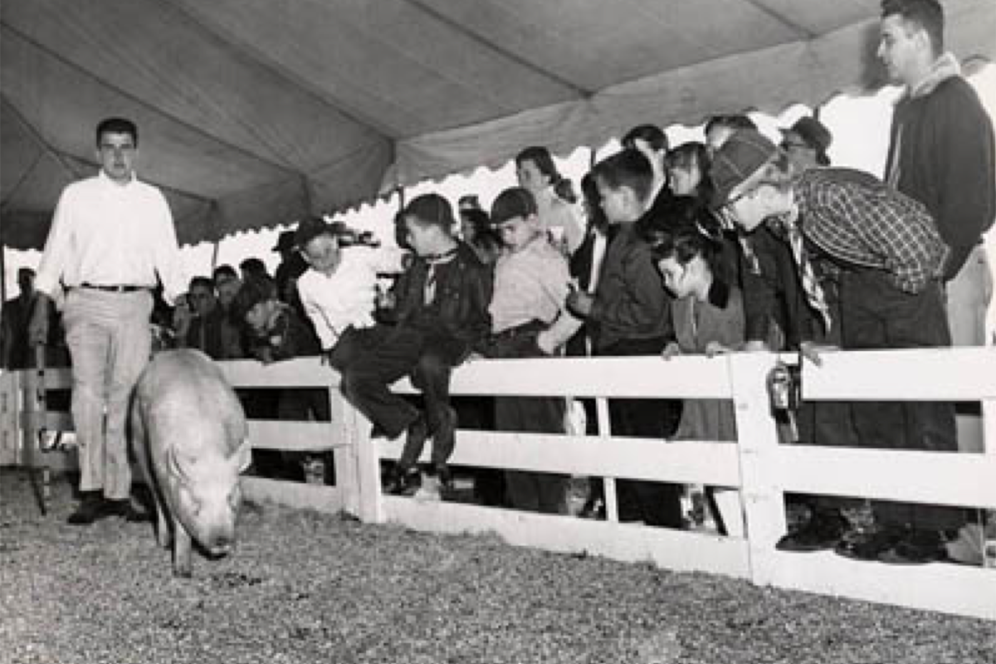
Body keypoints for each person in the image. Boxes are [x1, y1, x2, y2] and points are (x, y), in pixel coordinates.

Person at [711, 128, 957, 564]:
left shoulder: (827, 193)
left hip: (902, 292)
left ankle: (932, 530)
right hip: (861, 292)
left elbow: (911, 232)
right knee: (875, 413)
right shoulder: (784, 221)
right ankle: (893, 521)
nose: (727, 220)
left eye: (729, 205)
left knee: (921, 409)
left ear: (758, 190)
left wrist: (904, 289)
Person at [879, 0, 996, 563]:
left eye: (889, 40)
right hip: (916, 277)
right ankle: (930, 524)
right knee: (924, 401)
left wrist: (931, 272)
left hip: (948, 273)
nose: (881, 53)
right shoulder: (906, 111)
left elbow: (973, 207)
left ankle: (968, 540)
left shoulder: (958, 103)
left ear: (921, 40)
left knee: (957, 402)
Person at [28, 116, 185, 525]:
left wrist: (179, 295)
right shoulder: (76, 196)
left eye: (125, 146)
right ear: (97, 152)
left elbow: (166, 252)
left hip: (135, 304)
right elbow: (56, 249)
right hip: (85, 301)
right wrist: (42, 304)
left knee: (126, 398)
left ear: (136, 151)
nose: (118, 155)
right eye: (110, 147)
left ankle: (119, 491)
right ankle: (91, 489)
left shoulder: (152, 199)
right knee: (86, 395)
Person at [337, 194, 492, 496]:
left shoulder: (473, 267)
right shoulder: (415, 266)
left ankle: (440, 441)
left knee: (430, 364)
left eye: (412, 233)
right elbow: (400, 311)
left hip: (449, 338)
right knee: (355, 378)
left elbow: (482, 317)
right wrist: (387, 307)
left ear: (434, 231)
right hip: (411, 336)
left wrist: (477, 347)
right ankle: (412, 421)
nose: (407, 240)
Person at [566, 149, 683, 529]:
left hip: (638, 357)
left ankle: (666, 530)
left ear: (626, 197)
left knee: (645, 451)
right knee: (624, 449)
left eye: (603, 196)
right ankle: (636, 525)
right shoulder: (624, 240)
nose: (599, 203)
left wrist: (592, 309)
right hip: (620, 357)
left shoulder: (642, 245)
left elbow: (649, 315)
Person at [477, 187, 582, 514]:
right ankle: (524, 515)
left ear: (533, 220)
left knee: (542, 435)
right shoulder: (506, 260)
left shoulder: (547, 258)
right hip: (503, 347)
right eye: (501, 231)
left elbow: (576, 306)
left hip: (531, 343)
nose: (506, 237)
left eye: (512, 228)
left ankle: (553, 514)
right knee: (511, 437)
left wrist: (548, 340)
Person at [645, 203, 745, 535]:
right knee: (716, 480)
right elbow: (690, 345)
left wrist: (734, 353)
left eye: (670, 274)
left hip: (732, 411)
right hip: (700, 410)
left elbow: (765, 347)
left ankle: (746, 536)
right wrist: (679, 349)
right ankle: (732, 537)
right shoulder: (680, 306)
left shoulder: (732, 300)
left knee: (737, 478)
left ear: (695, 264)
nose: (665, 283)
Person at [515, 146, 586, 256]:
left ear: (546, 177)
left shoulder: (564, 211)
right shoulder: (522, 215)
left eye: (527, 175)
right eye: (518, 175)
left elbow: (581, 254)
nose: (521, 181)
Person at [1, 268, 38, 370]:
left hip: (38, 360)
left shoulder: (44, 306)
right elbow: (8, 338)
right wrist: (5, 365)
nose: (24, 284)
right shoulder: (9, 307)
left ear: (35, 281)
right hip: (16, 361)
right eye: (21, 281)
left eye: (27, 279)